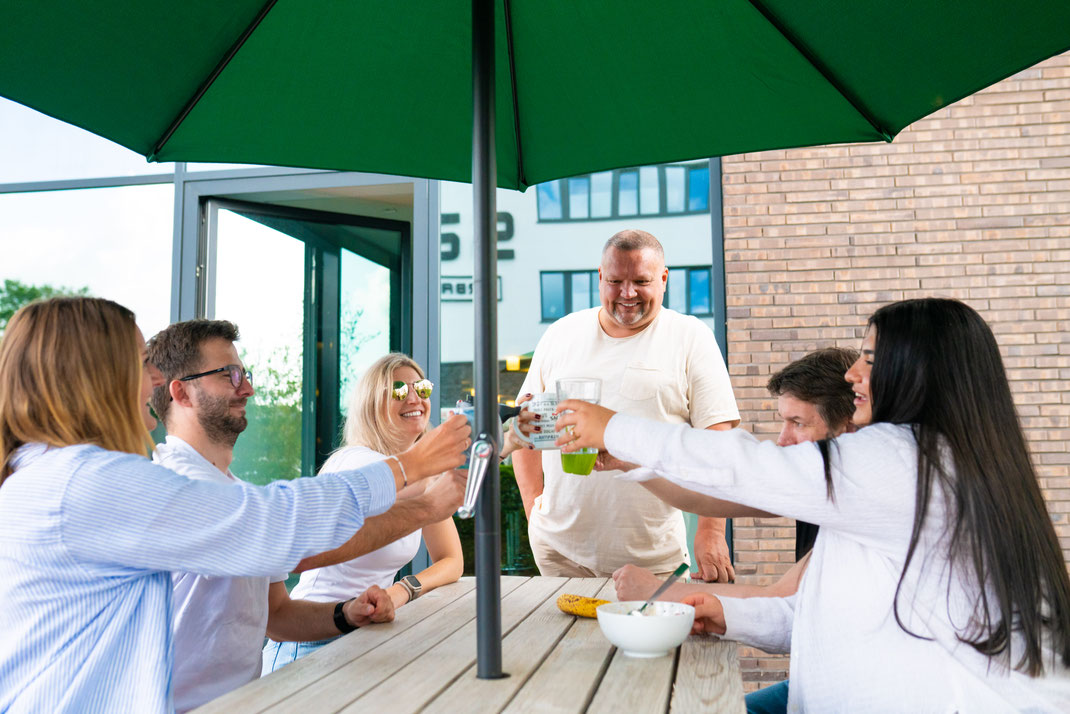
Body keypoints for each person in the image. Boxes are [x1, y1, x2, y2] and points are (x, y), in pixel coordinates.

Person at [558, 298, 1070, 711]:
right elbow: (823, 611)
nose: (853, 374)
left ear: (919, 373)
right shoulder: (933, 467)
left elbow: (743, 468)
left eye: (871, 360)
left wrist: (614, 427)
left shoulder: (906, 464)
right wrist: (727, 615)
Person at [0, 297, 469, 713]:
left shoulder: (59, 476)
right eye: (140, 364)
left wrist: (343, 615)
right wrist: (409, 468)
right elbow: (270, 525)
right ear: (93, 377)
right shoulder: (87, 484)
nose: (154, 379)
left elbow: (272, 610)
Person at [146, 323, 466, 711]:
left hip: (246, 700)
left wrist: (346, 614)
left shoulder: (234, 490)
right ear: (181, 392)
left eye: (245, 374)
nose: (247, 389)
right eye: (229, 375)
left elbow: (278, 617)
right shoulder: (177, 490)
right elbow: (293, 533)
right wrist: (416, 474)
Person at [611, 347, 858, 714]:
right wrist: (626, 461)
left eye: (798, 423)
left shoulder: (856, 500)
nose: (782, 439)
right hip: (814, 681)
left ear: (849, 428)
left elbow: (784, 599)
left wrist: (661, 593)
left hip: (845, 693)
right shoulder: (815, 481)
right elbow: (710, 496)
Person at [513, 229, 740, 581]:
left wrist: (710, 531)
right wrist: (533, 509)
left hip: (653, 557)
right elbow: (524, 426)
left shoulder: (690, 337)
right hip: (559, 554)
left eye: (641, 281)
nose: (627, 293)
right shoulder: (561, 333)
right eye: (615, 281)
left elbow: (717, 442)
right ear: (600, 277)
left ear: (663, 279)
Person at [261, 352, 467, 671]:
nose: (414, 398)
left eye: (422, 388)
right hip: (309, 641)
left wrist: (401, 590)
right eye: (398, 390)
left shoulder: (418, 477)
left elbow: (452, 560)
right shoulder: (357, 462)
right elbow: (427, 488)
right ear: (372, 405)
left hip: (363, 631)